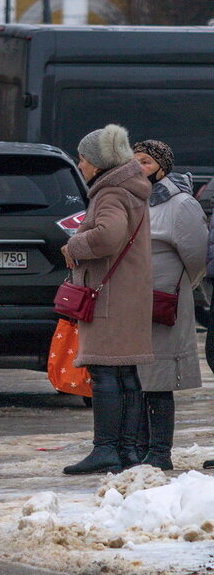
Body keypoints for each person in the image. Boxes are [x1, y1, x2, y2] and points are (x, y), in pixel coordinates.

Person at [61, 124, 154, 476]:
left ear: (98, 163)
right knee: (125, 374)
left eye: (83, 158)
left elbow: (108, 236)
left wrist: (74, 246)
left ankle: (106, 450)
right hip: (128, 295)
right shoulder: (132, 190)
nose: (79, 164)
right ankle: (128, 450)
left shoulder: (110, 193)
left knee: (105, 375)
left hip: (109, 299)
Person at [130, 140, 205, 471]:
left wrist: (181, 285)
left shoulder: (180, 204)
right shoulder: (133, 201)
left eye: (145, 162)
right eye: (133, 162)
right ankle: (141, 448)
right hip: (132, 302)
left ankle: (160, 452)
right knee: (137, 378)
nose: (138, 168)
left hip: (165, 300)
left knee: (158, 377)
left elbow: (197, 256)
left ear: (162, 166)